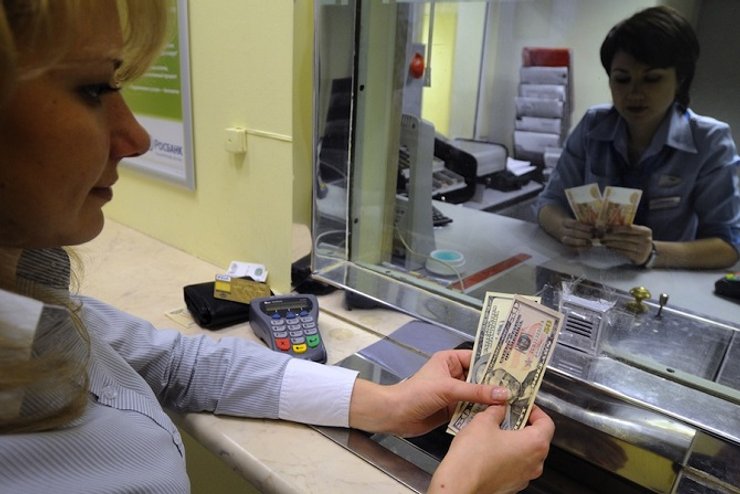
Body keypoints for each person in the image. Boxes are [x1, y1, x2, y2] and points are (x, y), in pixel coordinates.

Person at [0, 1, 554, 493]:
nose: (137, 138)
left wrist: (389, 403)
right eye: (93, 89)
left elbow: (179, 364)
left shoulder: (31, 300)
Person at [536, 6, 740, 270]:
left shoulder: (709, 140)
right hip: (592, 273)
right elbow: (549, 202)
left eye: (651, 79)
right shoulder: (592, 125)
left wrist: (653, 252)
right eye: (622, 79)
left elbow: (728, 245)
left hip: (667, 281)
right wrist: (564, 228)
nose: (634, 93)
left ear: (680, 80)